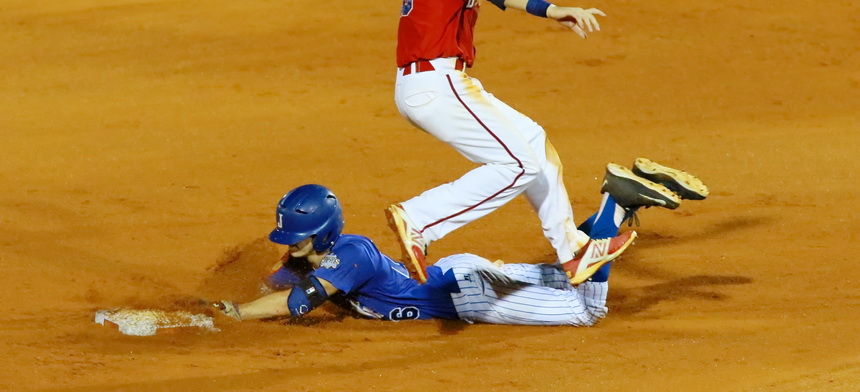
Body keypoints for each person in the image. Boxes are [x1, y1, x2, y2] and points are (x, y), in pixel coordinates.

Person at [387, 0, 626, 285]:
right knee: (519, 164)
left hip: (432, 81)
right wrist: (554, 10)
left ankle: (573, 251)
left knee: (533, 143)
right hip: (437, 83)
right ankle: (419, 219)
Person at [214, 160, 708, 326]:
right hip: (460, 273)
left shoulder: (350, 254)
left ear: (321, 233)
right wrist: (216, 304)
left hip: (470, 295)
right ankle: (621, 201)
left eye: (296, 237)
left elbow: (299, 302)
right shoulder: (311, 259)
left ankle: (614, 203)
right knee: (567, 271)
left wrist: (236, 314)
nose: (290, 245)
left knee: (587, 309)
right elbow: (275, 288)